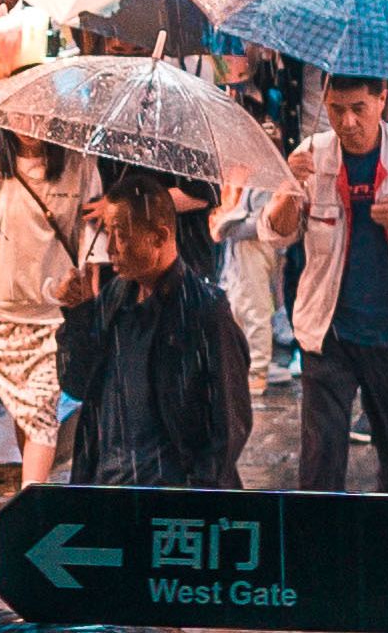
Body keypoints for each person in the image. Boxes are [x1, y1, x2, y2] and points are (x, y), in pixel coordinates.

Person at [261, 76, 388, 494]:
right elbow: (277, 233)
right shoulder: (311, 154)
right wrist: (288, 189)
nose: (348, 121)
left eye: (359, 107)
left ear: (382, 99)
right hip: (329, 331)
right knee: (320, 464)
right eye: (337, 109)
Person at [53, 171, 250, 488]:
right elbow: (76, 383)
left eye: (122, 234)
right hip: (108, 490)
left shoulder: (205, 311)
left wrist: (197, 492)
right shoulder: (115, 297)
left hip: (168, 500)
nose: (112, 248)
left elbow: (228, 425)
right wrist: (78, 315)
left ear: (158, 237)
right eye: (109, 233)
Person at [0, 135, 85, 466]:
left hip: (55, 314)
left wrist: (90, 294)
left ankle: (32, 499)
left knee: (41, 416)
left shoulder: (77, 165)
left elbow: (89, 234)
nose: (29, 126)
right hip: (2, 311)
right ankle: (33, 494)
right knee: (26, 413)